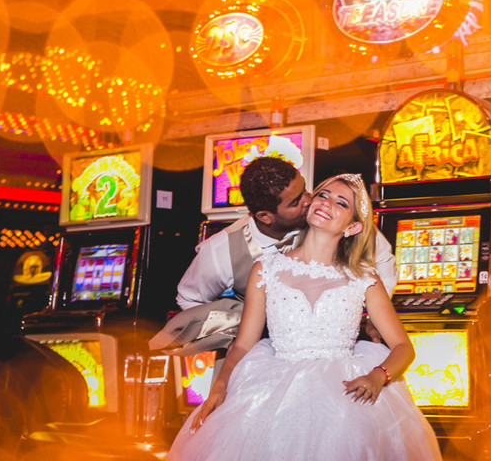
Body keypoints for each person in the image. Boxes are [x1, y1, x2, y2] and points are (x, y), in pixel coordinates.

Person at [166, 173, 441, 461]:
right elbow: (244, 345)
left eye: (341, 203)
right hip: (271, 388)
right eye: (323, 195)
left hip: (344, 395)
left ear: (353, 226)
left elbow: (403, 347)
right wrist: (220, 387)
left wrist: (377, 376)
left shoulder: (363, 277)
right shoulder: (266, 268)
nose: (326, 203)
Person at [177, 157, 398, 309]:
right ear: (265, 216)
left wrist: (375, 314)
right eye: (295, 202)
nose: (309, 200)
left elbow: (383, 259)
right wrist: (231, 329)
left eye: (304, 189)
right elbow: (189, 299)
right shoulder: (221, 250)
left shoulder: (325, 219)